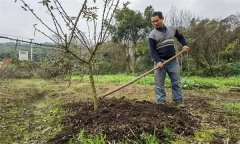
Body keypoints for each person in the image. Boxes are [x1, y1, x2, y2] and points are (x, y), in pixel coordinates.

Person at [148, 11, 189, 106]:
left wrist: (185, 45)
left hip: (172, 60)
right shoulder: (152, 35)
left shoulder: (172, 29)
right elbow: (153, 51)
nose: (155, 23)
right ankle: (161, 101)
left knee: (176, 81)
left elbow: (181, 37)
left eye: (157, 20)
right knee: (159, 83)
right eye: (153, 22)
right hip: (160, 61)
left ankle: (178, 100)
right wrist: (158, 61)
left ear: (162, 19)